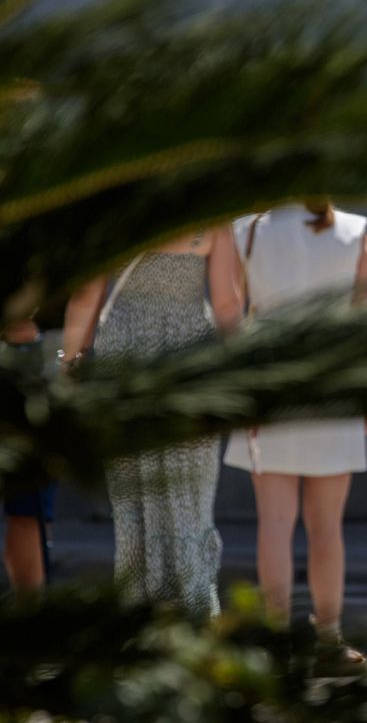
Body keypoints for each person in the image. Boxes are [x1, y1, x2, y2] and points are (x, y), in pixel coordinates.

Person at [221, 200, 367, 675]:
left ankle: (275, 641)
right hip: (334, 388)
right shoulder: (354, 231)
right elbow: (366, 325)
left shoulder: (246, 230)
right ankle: (328, 639)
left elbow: (233, 315)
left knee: (275, 523)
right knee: (326, 527)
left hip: (271, 387)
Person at [61, 227, 245, 621]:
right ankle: (192, 598)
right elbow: (228, 303)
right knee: (190, 485)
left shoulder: (123, 210)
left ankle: (138, 600)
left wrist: (70, 361)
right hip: (190, 355)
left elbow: (86, 294)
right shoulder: (213, 218)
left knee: (133, 487)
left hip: (124, 355)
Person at [3, 318, 53, 596]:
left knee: (26, 508)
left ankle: (31, 614)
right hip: (21, 351)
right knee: (26, 510)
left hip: (21, 355)